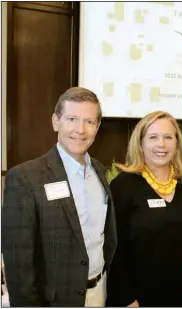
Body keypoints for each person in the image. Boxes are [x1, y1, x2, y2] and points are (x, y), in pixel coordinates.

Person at [2, 87, 117, 306]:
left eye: (89, 122)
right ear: (56, 122)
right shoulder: (26, 178)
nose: (80, 130)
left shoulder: (101, 173)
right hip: (54, 301)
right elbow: (18, 263)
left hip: (100, 293)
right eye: (71, 119)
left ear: (98, 127)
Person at [106, 111, 182, 307]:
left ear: (177, 143)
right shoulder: (124, 185)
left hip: (177, 292)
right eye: (153, 137)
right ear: (140, 143)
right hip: (135, 296)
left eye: (168, 137)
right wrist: (126, 297)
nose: (161, 144)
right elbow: (114, 247)